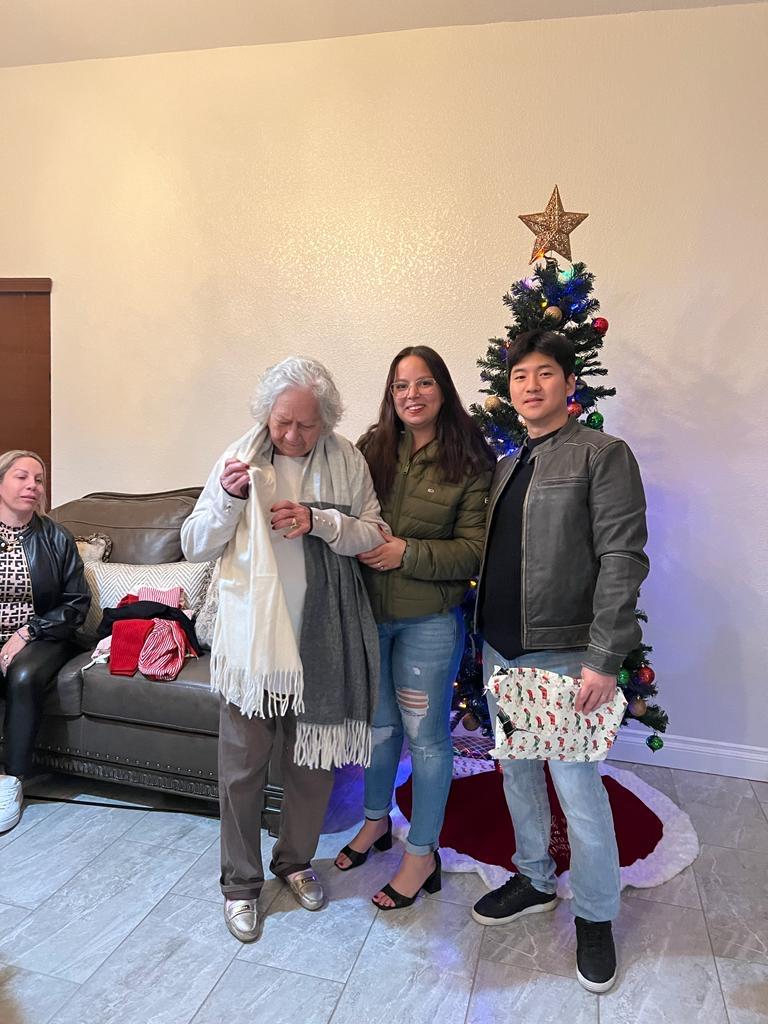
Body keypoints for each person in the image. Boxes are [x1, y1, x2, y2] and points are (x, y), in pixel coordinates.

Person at [470, 329, 649, 993]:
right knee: (517, 773)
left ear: (569, 386)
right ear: (510, 387)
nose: (531, 386)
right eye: (520, 376)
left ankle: (597, 917)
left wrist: (606, 656)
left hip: (567, 653)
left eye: (546, 374)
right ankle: (535, 880)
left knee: (576, 785)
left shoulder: (603, 455)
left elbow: (621, 558)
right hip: (502, 648)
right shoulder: (508, 464)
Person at [181, 356, 383, 944]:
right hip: (252, 644)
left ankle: (294, 862)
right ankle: (240, 887)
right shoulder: (237, 459)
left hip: (321, 639)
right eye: (282, 422)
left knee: (312, 769)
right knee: (241, 771)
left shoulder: (348, 460)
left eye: (306, 425)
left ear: (327, 422)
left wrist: (320, 521)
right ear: (266, 415)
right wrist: (223, 495)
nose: (292, 436)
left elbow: (373, 531)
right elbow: (195, 544)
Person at [335, 346, 494, 910]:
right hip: (369, 617)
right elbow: (342, 517)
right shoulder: (369, 447)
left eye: (423, 384)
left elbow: (474, 552)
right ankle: (376, 823)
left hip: (429, 623)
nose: (412, 395)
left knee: (426, 740)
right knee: (379, 731)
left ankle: (422, 851)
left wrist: (404, 552)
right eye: (401, 386)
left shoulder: (471, 459)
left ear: (442, 389)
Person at [0, 450, 90, 832]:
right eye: (22, 477)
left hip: (45, 634)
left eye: (38, 480)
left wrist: (27, 633)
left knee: (21, 676)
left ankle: (11, 781)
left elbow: (75, 604)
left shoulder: (54, 536)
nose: (32, 486)